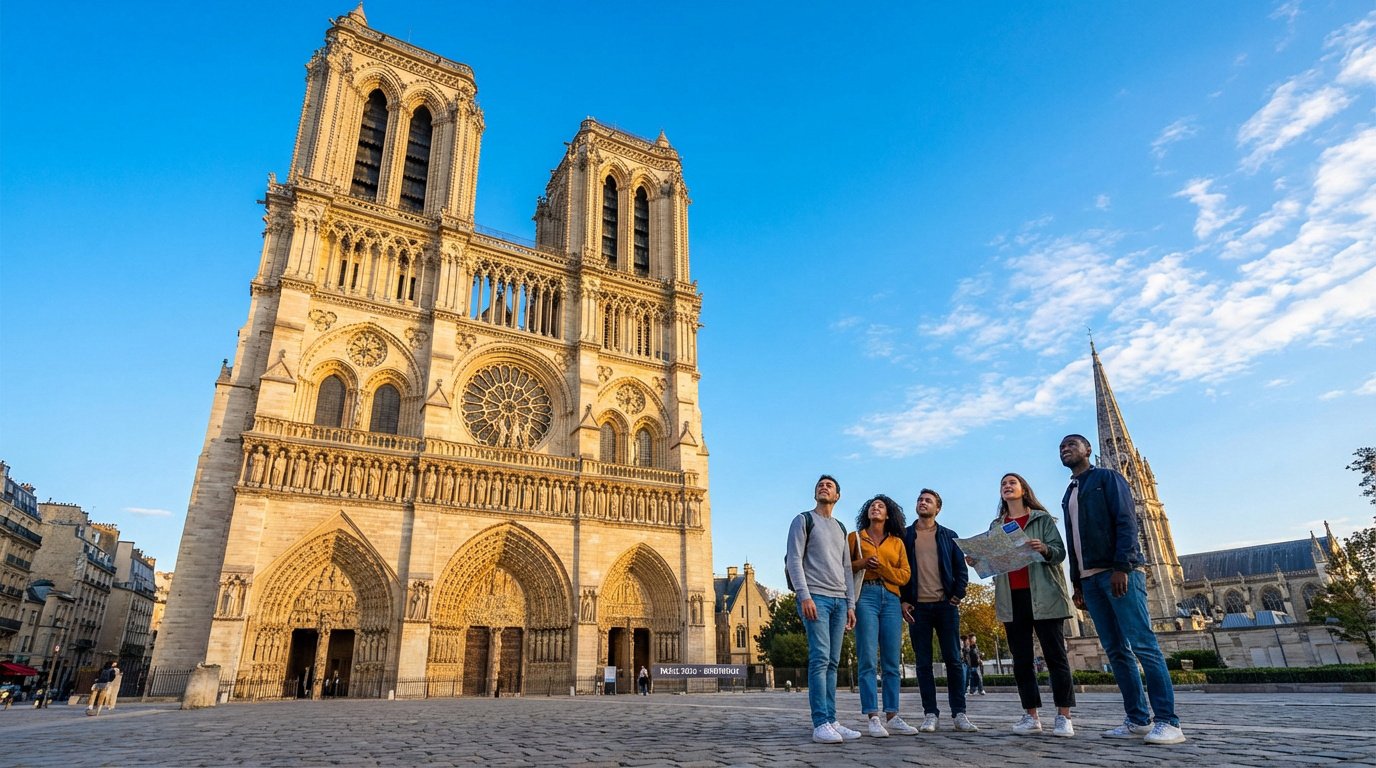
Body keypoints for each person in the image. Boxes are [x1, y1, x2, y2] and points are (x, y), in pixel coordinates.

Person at [1059, 434, 1185, 745]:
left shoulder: (1107, 478)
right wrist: (1077, 582)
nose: (1065, 449)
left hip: (1117, 572)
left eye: (1072, 444)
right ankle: (1138, 719)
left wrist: (1122, 566)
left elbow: (1126, 521)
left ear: (1088, 450)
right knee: (1116, 651)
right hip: (1090, 579)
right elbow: (1075, 543)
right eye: (1061, 446)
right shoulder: (1069, 492)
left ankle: (1168, 721)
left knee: (1143, 645)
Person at [987, 472, 1077, 737]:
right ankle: (1031, 715)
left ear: (1023, 490)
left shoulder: (1041, 519)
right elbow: (994, 562)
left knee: (1055, 656)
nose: (1006, 486)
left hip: (1044, 594)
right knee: (1022, 660)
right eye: (1003, 484)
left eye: (1012, 482)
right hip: (1012, 598)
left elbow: (1059, 553)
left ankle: (1064, 716)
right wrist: (979, 560)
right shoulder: (997, 525)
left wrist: (1044, 549)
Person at [784, 474, 859, 744]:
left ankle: (832, 718)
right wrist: (804, 596)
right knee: (820, 658)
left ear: (837, 496)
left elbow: (847, 568)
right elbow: (794, 559)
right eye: (820, 485)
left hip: (839, 599)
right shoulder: (803, 520)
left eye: (829, 486)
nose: (823, 487)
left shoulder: (840, 527)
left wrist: (851, 603)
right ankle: (820, 722)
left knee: (833, 662)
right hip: (816, 597)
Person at [900, 489, 977, 734]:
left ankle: (959, 713)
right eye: (920, 499)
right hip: (917, 608)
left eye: (928, 500)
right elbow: (900, 569)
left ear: (938, 508)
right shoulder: (905, 535)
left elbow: (960, 569)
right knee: (923, 663)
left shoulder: (949, 536)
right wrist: (904, 600)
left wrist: (958, 593)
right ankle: (930, 714)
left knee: (953, 660)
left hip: (946, 606)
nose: (922, 503)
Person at [847, 494, 916, 737]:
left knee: (891, 661)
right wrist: (863, 562)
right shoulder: (855, 538)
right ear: (867, 513)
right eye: (872, 506)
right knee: (867, 658)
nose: (876, 508)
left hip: (891, 599)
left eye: (881, 506)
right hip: (865, 595)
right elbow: (845, 567)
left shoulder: (897, 542)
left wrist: (883, 568)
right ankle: (873, 717)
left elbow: (905, 575)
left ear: (888, 515)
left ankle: (893, 715)